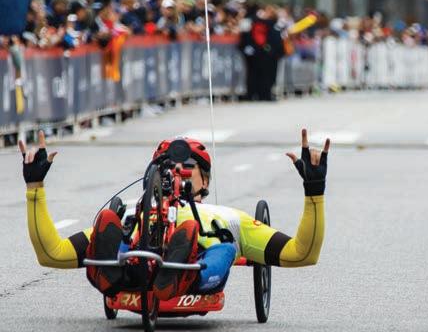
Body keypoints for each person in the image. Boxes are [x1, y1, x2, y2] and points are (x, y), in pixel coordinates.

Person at [20, 128, 330, 303]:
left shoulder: (227, 217)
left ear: (204, 180)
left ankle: (181, 272)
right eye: (165, 165)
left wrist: (313, 190)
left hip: (195, 273)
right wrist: (35, 187)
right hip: (132, 270)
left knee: (223, 248)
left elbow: (301, 253)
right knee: (111, 228)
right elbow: (52, 254)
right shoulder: (130, 212)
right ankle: (111, 273)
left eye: (187, 166)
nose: (176, 170)